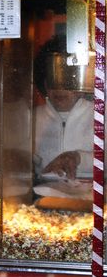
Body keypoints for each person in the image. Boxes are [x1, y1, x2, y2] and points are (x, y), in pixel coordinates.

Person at [33, 35, 93, 180]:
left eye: (66, 81)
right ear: (45, 83)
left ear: (81, 82)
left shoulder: (100, 115)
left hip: (91, 195)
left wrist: (78, 158)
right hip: (44, 197)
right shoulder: (32, 118)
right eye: (53, 80)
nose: (59, 90)